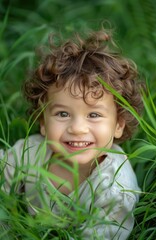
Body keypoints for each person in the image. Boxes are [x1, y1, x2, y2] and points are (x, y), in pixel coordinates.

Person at [0, 27, 144, 239]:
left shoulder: (115, 190)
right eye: (63, 113)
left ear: (118, 125)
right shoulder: (29, 152)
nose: (77, 128)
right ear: (42, 121)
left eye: (94, 115)